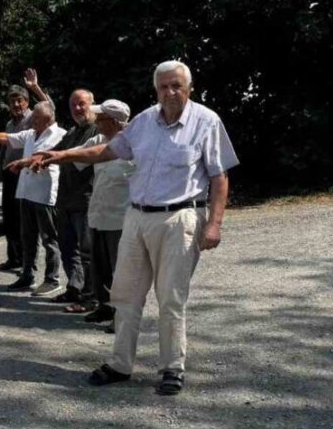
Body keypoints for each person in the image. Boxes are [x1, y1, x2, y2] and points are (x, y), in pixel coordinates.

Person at [39, 61, 239, 396]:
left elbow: (220, 176)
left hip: (181, 219)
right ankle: (120, 364)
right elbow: (107, 150)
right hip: (136, 217)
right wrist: (59, 155)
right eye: (163, 87)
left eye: (176, 85)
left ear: (189, 88)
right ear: (156, 89)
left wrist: (215, 224)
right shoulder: (145, 121)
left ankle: (172, 367)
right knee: (125, 295)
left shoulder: (207, 121)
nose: (169, 92)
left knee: (171, 298)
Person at [0, 101, 65, 297]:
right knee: (27, 237)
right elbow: (5, 138)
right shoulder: (30, 134)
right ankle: (27, 275)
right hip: (26, 192)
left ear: (46, 119)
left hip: (45, 195)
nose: (31, 121)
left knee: (49, 239)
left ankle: (52, 279)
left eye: (35, 118)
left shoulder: (60, 134)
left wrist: (25, 163)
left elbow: (48, 158)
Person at [26, 81, 99, 311]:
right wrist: (34, 160)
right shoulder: (73, 131)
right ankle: (75, 289)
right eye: (73, 105)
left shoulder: (97, 131)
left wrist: (47, 157)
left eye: (82, 104)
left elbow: (70, 156)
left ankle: (90, 297)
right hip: (66, 201)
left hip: (86, 201)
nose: (77, 109)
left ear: (92, 104)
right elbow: (56, 151)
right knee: (69, 250)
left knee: (87, 252)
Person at [80, 100, 135, 333]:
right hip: (98, 215)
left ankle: (121, 316)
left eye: (100, 119)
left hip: (121, 220)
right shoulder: (96, 141)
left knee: (120, 271)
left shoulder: (133, 145)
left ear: (114, 122)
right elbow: (76, 156)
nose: (96, 123)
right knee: (99, 267)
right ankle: (104, 306)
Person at [0, 81, 34, 272]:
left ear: (26, 101)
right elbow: (4, 151)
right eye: (12, 101)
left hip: (25, 174)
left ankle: (26, 259)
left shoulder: (33, 119)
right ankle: (13, 257)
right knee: (9, 219)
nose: (16, 105)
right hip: (9, 175)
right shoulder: (9, 124)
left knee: (23, 219)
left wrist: (35, 87)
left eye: (20, 101)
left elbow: (50, 109)